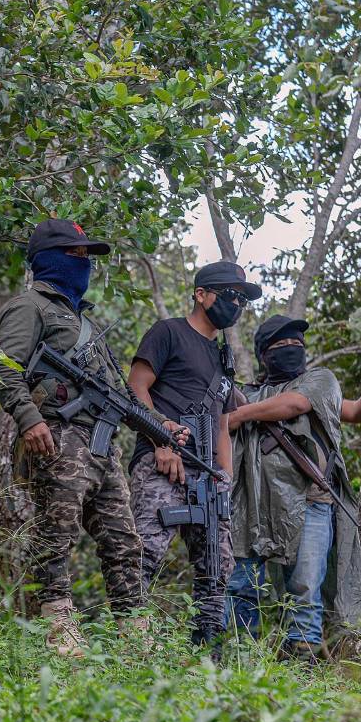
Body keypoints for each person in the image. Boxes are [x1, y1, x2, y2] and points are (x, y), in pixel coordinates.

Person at [0, 218, 153, 656]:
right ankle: (57, 625)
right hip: (56, 435)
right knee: (56, 533)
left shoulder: (81, 321)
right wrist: (29, 419)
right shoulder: (31, 306)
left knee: (123, 539)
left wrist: (158, 427)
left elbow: (117, 393)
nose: (85, 264)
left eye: (87, 256)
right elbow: (4, 366)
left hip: (100, 446)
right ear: (50, 259)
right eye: (76, 254)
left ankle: (134, 630)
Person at [224, 315, 361, 662]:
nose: (291, 350)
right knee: (241, 585)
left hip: (311, 502)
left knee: (304, 587)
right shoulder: (249, 393)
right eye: (280, 346)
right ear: (264, 355)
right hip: (252, 504)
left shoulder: (319, 382)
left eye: (296, 344)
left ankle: (301, 663)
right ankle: (240, 659)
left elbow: (303, 405)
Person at [127, 262, 259, 652]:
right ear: (201, 294)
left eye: (241, 299)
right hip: (162, 463)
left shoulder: (223, 359)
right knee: (142, 556)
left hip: (208, 476)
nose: (235, 303)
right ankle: (128, 646)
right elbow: (135, 388)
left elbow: (221, 423)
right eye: (228, 294)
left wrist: (225, 476)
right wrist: (160, 441)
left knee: (217, 570)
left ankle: (208, 653)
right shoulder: (168, 333)